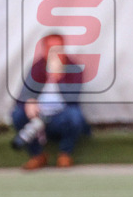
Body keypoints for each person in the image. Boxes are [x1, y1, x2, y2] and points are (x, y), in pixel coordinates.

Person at [11, 33, 89, 170]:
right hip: (39, 116)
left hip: (60, 116)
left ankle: (65, 154)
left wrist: (58, 77)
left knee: (75, 116)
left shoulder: (74, 68)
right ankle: (37, 155)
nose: (55, 53)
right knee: (17, 114)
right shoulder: (37, 67)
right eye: (51, 49)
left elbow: (73, 98)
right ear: (45, 50)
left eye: (58, 49)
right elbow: (24, 94)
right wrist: (30, 101)